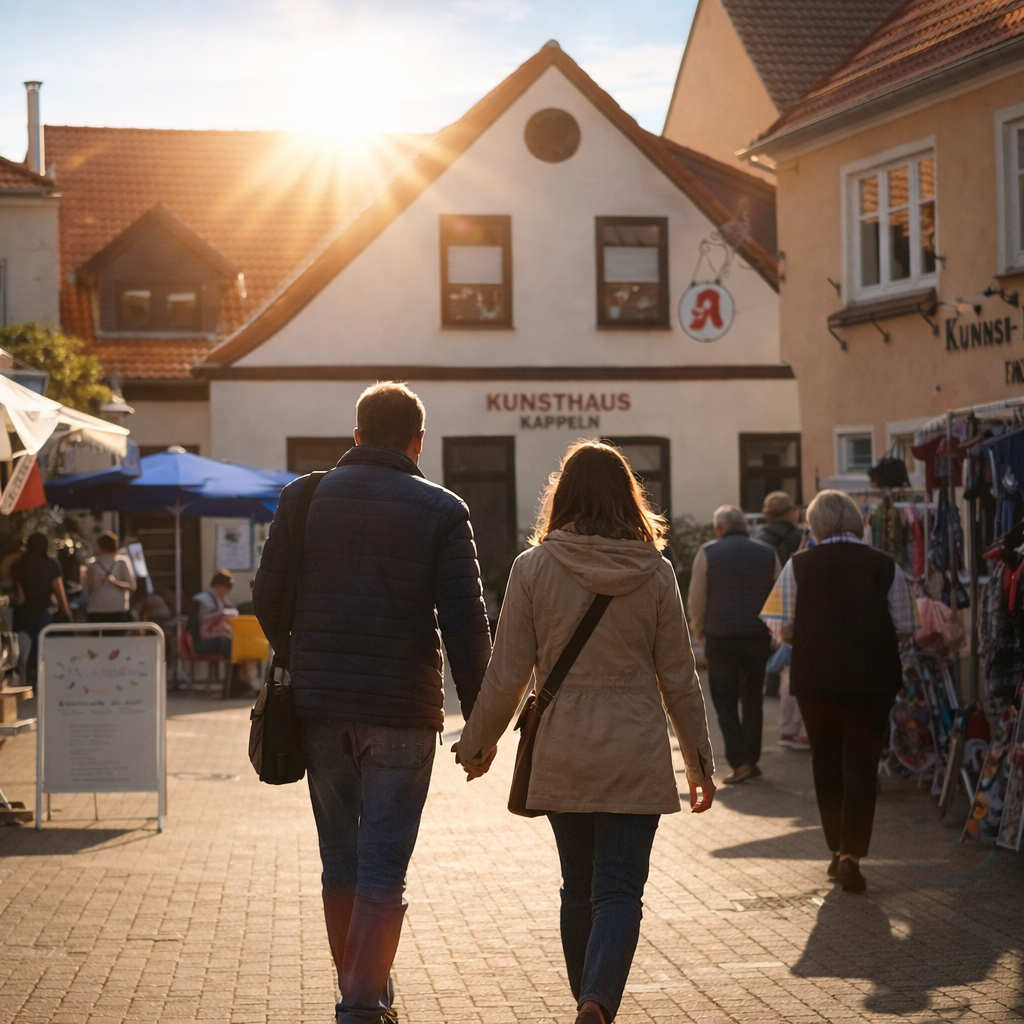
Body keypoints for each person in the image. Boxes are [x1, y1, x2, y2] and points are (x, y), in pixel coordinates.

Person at [453, 441, 715, 1024]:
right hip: (634, 750)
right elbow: (679, 677)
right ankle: (597, 1002)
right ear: (628, 498)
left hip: (563, 749)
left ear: (561, 497)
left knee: (578, 886)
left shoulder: (533, 568)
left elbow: (507, 672)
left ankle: (587, 1002)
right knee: (619, 891)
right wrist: (699, 764)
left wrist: (476, 745)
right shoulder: (655, 571)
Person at [254, 381, 491, 1024]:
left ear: (355, 435)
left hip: (320, 706)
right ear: (418, 441)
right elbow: (467, 625)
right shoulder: (444, 510)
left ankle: (361, 989)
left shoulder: (302, 498)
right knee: (384, 861)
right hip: (403, 710)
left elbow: (268, 598)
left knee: (342, 858)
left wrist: (303, 656)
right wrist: (484, 727)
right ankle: (361, 998)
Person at [759, 490, 918, 893]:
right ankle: (852, 854)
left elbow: (778, 625)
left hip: (817, 678)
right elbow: (904, 625)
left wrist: (809, 636)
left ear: (815, 525)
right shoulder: (885, 565)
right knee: (861, 764)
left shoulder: (799, 566)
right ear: (855, 520)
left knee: (826, 762)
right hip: (872, 678)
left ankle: (835, 849)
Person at [687, 506, 779, 784]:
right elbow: (778, 595)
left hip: (721, 638)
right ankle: (751, 758)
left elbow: (697, 599)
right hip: (757, 637)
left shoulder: (708, 552)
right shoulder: (767, 552)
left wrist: (701, 632)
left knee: (724, 700)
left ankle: (738, 761)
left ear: (719, 528)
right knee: (753, 698)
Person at [756, 492, 805, 697]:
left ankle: (772, 681)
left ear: (768, 515)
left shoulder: (759, 539)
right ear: (790, 513)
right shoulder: (802, 536)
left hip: (769, 594)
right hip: (798, 592)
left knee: (773, 637)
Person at [11, 532, 72, 682]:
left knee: (25, 650)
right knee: (43, 648)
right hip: (43, 616)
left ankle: (27, 676)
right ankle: (43, 678)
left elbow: (20, 598)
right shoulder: (51, 563)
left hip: (22, 616)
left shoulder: (19, 564)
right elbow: (59, 592)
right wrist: (68, 614)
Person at [84, 531, 137, 623]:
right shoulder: (121, 562)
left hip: (96, 608)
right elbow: (132, 586)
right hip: (118, 608)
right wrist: (115, 582)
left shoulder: (92, 564)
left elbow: (88, 588)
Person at [190, 570, 238, 659]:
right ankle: (232, 673)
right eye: (225, 590)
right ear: (219, 586)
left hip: (211, 637)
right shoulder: (203, 600)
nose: (225, 593)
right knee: (232, 644)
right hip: (201, 640)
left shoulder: (218, 599)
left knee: (240, 641)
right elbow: (202, 622)